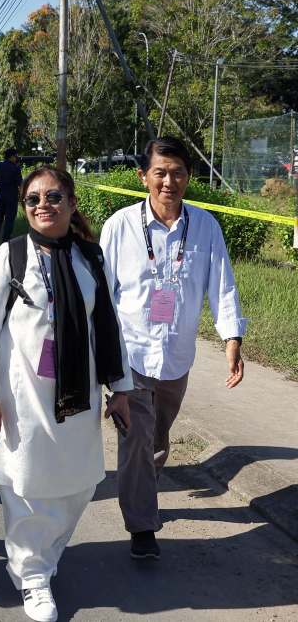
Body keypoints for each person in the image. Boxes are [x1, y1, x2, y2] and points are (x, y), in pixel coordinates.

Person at [0, 165, 133, 622]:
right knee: (25, 483)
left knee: (79, 481)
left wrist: (119, 388)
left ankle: (43, 556)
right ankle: (33, 574)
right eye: (34, 200)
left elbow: (107, 323)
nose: (44, 205)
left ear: (72, 202)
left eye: (54, 197)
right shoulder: (11, 254)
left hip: (77, 392)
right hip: (21, 393)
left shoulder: (90, 256)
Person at [99, 136, 246, 561]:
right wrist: (100, 357)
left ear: (189, 177)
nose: (169, 181)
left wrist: (231, 341)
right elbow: (103, 295)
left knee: (158, 439)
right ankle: (142, 526)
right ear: (144, 177)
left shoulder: (205, 226)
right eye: (160, 172)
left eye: (177, 172)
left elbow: (223, 287)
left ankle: (140, 489)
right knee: (137, 437)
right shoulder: (120, 226)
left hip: (177, 357)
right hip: (131, 356)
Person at [0, 148, 22, 245]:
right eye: (15, 156)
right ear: (12, 156)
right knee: (9, 220)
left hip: (0, 196)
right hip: (11, 197)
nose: (16, 158)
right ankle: (6, 240)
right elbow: (19, 184)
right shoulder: (16, 168)